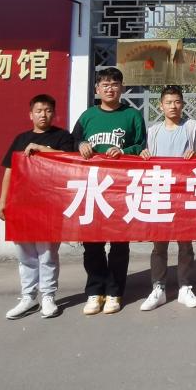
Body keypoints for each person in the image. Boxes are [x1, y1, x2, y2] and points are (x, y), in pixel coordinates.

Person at [73, 67, 147, 315]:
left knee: (119, 244)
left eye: (115, 84)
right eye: (105, 85)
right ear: (97, 89)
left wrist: (125, 151)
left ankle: (115, 292)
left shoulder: (132, 116)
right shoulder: (87, 116)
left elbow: (143, 146)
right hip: (92, 188)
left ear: (122, 88)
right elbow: (72, 143)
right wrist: (81, 144)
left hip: (121, 188)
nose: (110, 89)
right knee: (92, 243)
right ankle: (95, 291)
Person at [0, 93, 74, 319]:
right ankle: (28, 297)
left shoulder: (62, 136)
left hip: (49, 204)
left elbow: (69, 158)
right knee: (26, 255)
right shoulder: (20, 139)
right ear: (30, 114)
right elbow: (9, 170)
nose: (43, 115)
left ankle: (48, 296)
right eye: (39, 111)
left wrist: (41, 148)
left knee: (47, 253)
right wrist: (2, 202)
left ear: (54, 113)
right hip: (21, 204)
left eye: (48, 110)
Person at [138, 85, 196, 312]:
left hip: (185, 192)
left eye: (177, 102)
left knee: (185, 242)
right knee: (159, 244)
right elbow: (147, 157)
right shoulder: (153, 131)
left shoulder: (191, 126)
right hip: (161, 191)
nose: (173, 106)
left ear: (182, 104)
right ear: (161, 106)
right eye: (168, 102)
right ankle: (158, 288)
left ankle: (185, 287)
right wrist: (144, 154)